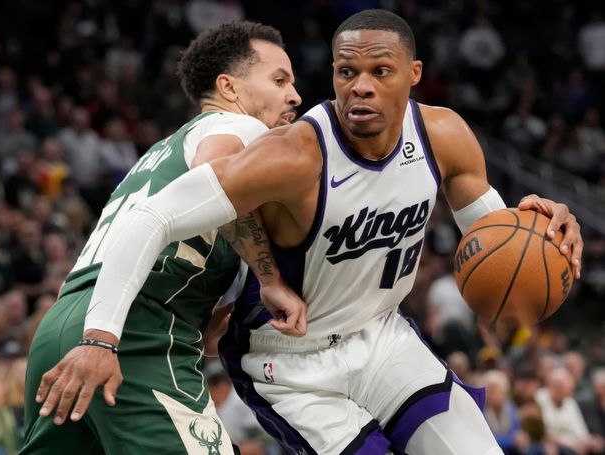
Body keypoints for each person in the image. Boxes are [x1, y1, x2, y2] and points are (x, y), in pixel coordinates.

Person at [36, 9, 584, 455]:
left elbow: (493, 241)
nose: (361, 87)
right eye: (346, 73)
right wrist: (101, 336)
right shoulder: (289, 151)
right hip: (291, 362)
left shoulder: (443, 134)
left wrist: (539, 225)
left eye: (381, 72)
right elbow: (159, 213)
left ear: (414, 74)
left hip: (381, 338)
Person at [20, 21, 304, 454]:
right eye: (279, 80)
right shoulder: (241, 128)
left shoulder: (159, 152)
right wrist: (270, 278)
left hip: (65, 322)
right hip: (134, 330)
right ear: (228, 87)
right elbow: (216, 173)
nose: (295, 96)